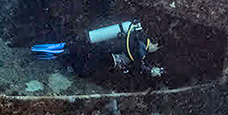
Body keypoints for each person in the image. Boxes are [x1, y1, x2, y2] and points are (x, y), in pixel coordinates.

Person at [31, 20, 164, 79]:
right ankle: (57, 53)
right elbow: (138, 63)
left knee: (78, 52)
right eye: (156, 48)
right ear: (154, 44)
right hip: (108, 57)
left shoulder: (136, 37)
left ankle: (61, 49)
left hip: (103, 48)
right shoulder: (141, 46)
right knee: (83, 70)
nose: (154, 51)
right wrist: (151, 71)